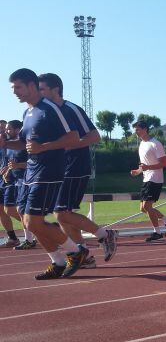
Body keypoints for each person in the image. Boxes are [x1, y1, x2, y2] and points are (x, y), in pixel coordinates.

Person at [38, 73, 118, 276]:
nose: (39, 93)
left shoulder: (71, 109)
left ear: (55, 89)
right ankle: (84, 256)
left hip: (75, 166)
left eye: (42, 89)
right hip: (58, 169)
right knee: (63, 217)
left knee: (61, 213)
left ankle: (105, 234)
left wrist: (69, 145)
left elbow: (95, 136)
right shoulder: (47, 113)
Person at [4, 68, 80, 280]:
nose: (14, 92)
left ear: (31, 85)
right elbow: (25, 144)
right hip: (31, 172)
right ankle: (58, 262)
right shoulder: (27, 112)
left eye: (18, 87)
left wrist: (43, 148)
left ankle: (76, 251)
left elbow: (73, 138)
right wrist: (5, 143)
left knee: (34, 222)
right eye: (13, 88)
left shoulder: (51, 108)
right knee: (28, 221)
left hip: (49, 171)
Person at [129, 120, 166, 241]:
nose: (136, 132)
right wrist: (138, 171)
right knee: (143, 208)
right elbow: (144, 165)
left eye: (138, 130)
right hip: (146, 178)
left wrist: (148, 167)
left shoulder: (155, 144)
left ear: (145, 129)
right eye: (135, 130)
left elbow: (165, 163)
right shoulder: (141, 144)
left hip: (155, 179)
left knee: (147, 206)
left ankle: (157, 232)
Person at [0, 120, 25, 247]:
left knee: (11, 209)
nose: (3, 131)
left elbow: (13, 162)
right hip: (4, 178)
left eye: (5, 128)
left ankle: (38, 227)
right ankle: (13, 238)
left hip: (16, 179)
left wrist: (9, 169)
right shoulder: (5, 144)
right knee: (2, 210)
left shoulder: (17, 144)